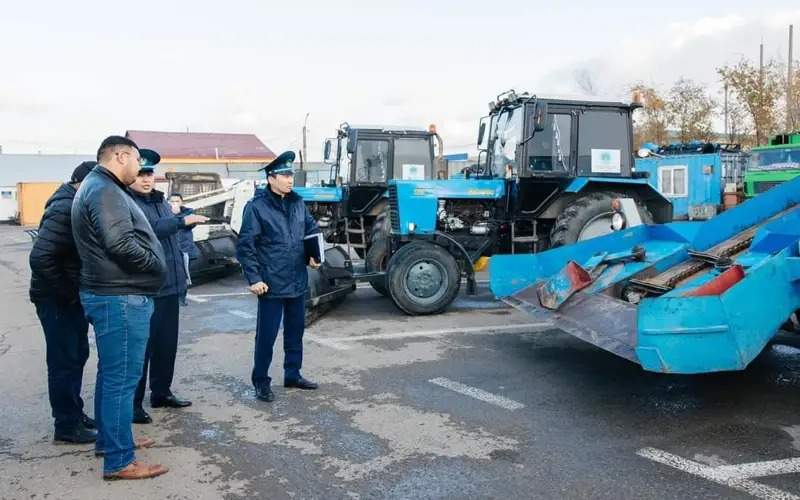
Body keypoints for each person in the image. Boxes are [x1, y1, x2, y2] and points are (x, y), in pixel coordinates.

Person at [72, 136, 168, 480]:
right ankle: (119, 460)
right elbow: (120, 243)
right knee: (121, 380)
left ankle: (112, 441)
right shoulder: (105, 190)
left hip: (112, 293)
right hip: (120, 296)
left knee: (112, 376)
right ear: (120, 155)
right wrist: (156, 266)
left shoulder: (97, 186)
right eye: (136, 161)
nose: (139, 169)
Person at [236, 151, 321, 403]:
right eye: (284, 175)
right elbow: (246, 245)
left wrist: (313, 257)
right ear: (270, 178)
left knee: (295, 333)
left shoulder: (297, 203)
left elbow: (310, 229)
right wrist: (254, 279)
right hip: (270, 284)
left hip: (296, 279)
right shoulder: (257, 207)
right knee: (266, 336)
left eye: (290, 174)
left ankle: (292, 374)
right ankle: (261, 381)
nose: (289, 179)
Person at [130, 167, 208, 424]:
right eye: (141, 174)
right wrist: (180, 221)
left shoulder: (161, 202)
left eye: (149, 175)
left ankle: (161, 393)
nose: (146, 179)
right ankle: (134, 404)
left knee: (166, 346)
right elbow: (150, 229)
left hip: (170, 286)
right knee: (142, 349)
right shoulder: (128, 202)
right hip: (148, 288)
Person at [29, 161, 98, 445]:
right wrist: (69, 292)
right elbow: (41, 257)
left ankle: (74, 413)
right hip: (57, 300)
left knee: (76, 355)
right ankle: (66, 425)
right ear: (82, 183)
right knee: (64, 361)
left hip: (65, 298)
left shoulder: (73, 203)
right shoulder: (65, 208)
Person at [168, 193, 200, 306]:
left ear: (182, 202)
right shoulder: (165, 213)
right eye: (172, 201)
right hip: (171, 250)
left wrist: (176, 215)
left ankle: (181, 298)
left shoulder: (188, 212)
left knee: (183, 275)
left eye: (177, 201)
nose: (175, 203)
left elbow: (190, 224)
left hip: (186, 250)